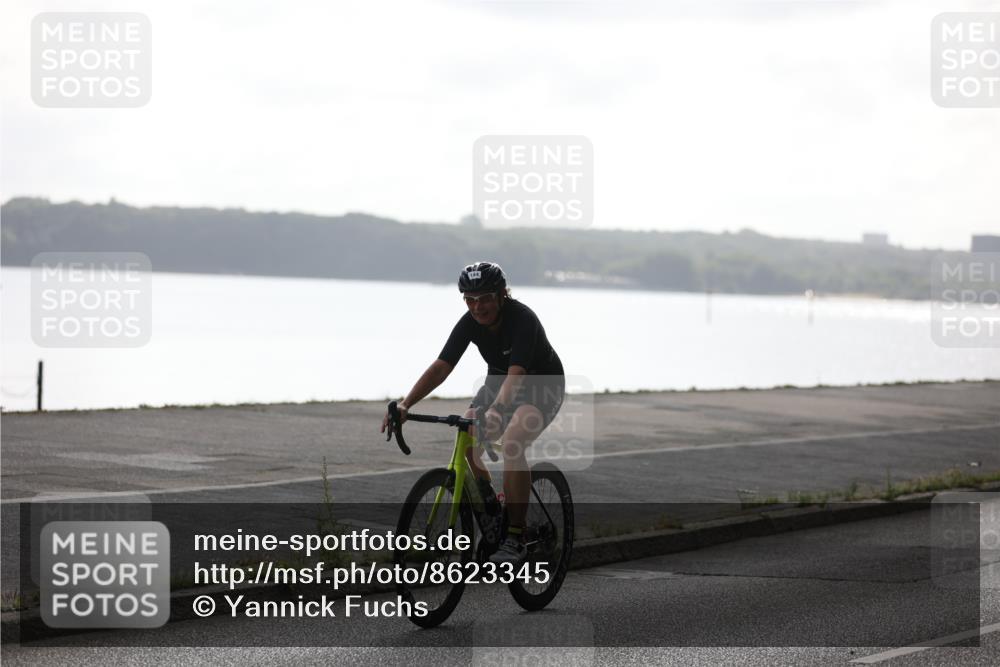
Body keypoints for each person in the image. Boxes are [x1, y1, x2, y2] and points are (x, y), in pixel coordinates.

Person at [380, 261, 565, 564]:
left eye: (485, 298)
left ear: (502, 294)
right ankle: (491, 509)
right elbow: (442, 366)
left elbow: (517, 374)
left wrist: (497, 411)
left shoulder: (523, 319)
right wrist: (405, 404)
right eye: (470, 299)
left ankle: (516, 536)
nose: (478, 307)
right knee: (467, 433)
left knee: (512, 442)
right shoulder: (469, 321)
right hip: (498, 381)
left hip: (540, 385)